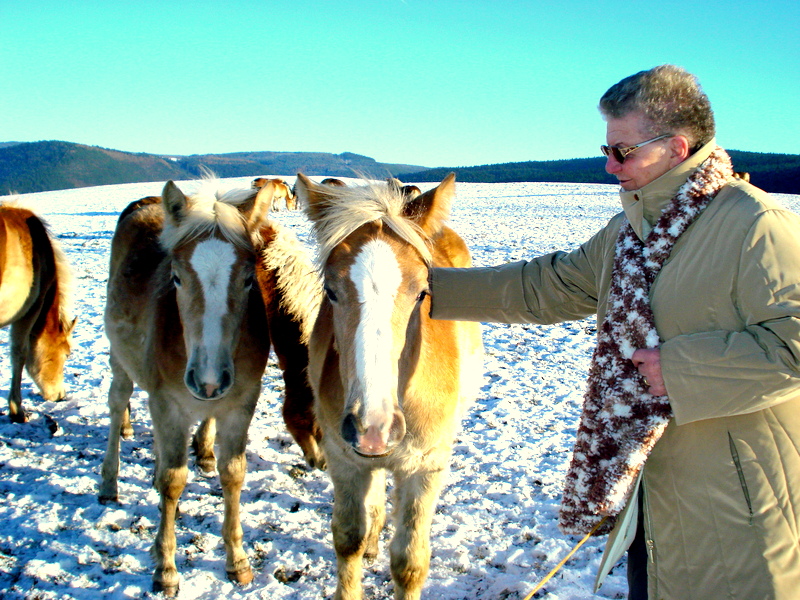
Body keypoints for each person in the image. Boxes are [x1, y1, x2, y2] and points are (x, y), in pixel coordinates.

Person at [428, 64, 800, 600]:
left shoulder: (756, 225)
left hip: (740, 504)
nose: (607, 165)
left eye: (622, 151)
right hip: (649, 488)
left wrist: (678, 369)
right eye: (605, 149)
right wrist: (425, 290)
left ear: (675, 147)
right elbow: (549, 285)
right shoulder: (630, 231)